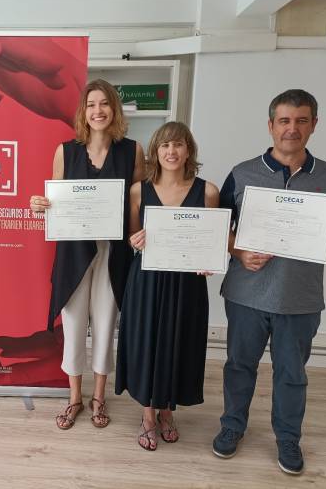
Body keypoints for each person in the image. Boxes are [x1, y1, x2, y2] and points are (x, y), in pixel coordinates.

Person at [212, 89, 326, 475]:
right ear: (271, 125)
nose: (292, 128)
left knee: (292, 375)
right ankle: (232, 426)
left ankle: (288, 438)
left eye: (301, 120)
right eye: (285, 120)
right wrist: (238, 251)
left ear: (314, 125)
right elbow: (218, 228)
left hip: (300, 297)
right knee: (239, 366)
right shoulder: (242, 173)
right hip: (246, 293)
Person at [30, 79, 144, 429]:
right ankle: (74, 398)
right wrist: (40, 205)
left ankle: (99, 398)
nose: (98, 111)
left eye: (105, 103)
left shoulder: (133, 151)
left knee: (106, 324)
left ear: (114, 110)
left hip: (114, 253)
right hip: (74, 253)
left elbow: (139, 203)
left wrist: (142, 234)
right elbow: (55, 203)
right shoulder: (66, 151)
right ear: (84, 112)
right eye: (92, 104)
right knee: (74, 324)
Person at [115, 121, 219, 450]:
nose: (171, 151)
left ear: (189, 150)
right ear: (155, 152)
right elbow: (133, 237)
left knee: (179, 342)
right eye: (164, 145)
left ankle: (167, 411)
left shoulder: (208, 191)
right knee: (147, 342)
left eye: (178, 144)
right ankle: (148, 415)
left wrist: (210, 261)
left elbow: (212, 242)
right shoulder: (138, 190)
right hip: (147, 280)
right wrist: (136, 239)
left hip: (187, 283)